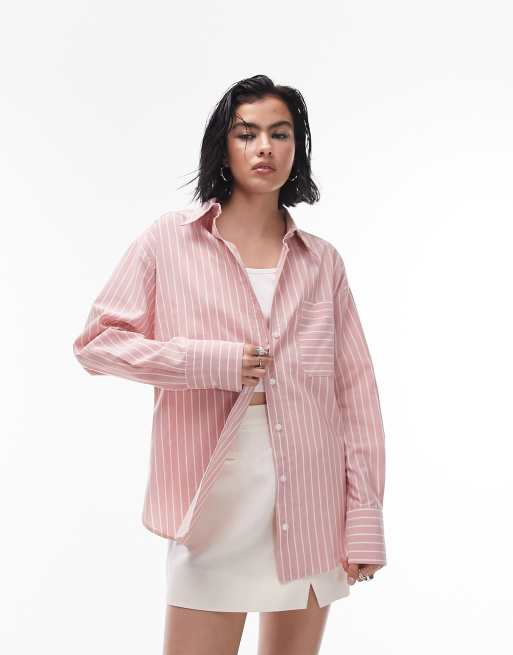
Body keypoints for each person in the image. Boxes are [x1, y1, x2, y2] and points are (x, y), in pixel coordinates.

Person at [73, 74, 387, 655]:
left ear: (297, 148)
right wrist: (203, 362)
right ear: (223, 147)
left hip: (311, 501)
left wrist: (364, 516)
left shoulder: (323, 262)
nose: (264, 147)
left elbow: (357, 397)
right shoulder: (169, 241)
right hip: (213, 499)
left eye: (280, 134)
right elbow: (95, 343)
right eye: (247, 134)